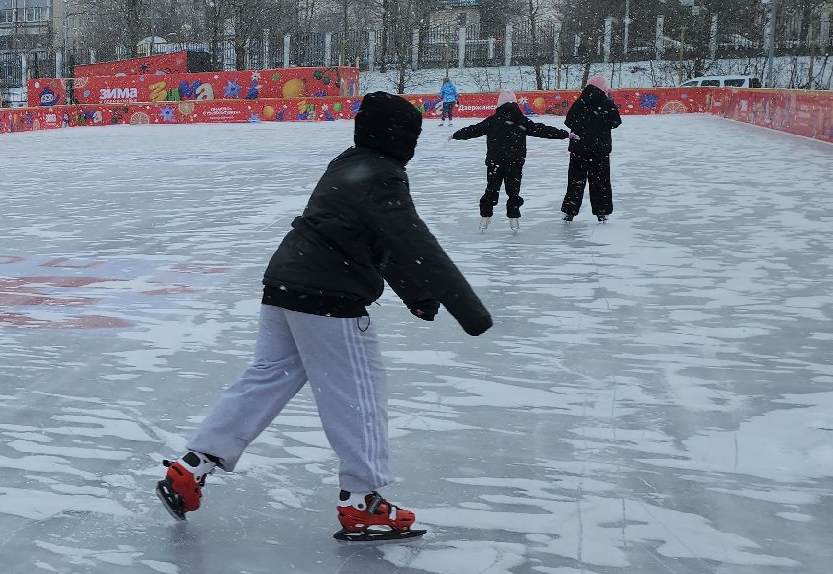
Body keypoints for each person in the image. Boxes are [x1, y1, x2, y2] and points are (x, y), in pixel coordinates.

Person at [155, 91, 493, 539]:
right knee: (359, 397)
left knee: (267, 376)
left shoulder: (348, 162)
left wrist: (416, 295)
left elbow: (371, 234)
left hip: (285, 284)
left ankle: (192, 465)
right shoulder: (383, 176)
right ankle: (362, 501)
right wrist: (469, 311)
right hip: (327, 296)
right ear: (399, 139)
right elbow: (416, 243)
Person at [451, 89, 569, 230]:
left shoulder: (493, 121)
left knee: (491, 190)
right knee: (513, 192)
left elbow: (474, 130)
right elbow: (542, 130)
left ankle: (485, 217)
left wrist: (456, 135)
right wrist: (565, 134)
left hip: (495, 162)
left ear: (499, 105)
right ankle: (513, 218)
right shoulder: (521, 121)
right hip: (515, 162)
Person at [561, 77, 623, 222]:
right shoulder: (607, 103)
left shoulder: (580, 102)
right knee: (600, 181)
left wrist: (582, 127)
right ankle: (602, 212)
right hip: (600, 150)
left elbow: (568, 120)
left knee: (576, 181)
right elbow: (616, 122)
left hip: (579, 149)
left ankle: (569, 211)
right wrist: (601, 127)